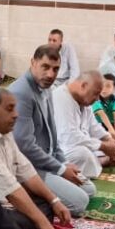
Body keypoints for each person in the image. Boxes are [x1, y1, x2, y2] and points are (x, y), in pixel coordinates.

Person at [0, 87, 73, 229]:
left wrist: (54, 200)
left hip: (6, 200)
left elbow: (25, 170)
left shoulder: (2, 129)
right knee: (25, 221)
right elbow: (10, 190)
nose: (16, 115)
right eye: (9, 109)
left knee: (46, 203)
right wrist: (44, 224)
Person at [8, 44, 96, 218]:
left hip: (45, 162)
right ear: (33, 63)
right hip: (26, 168)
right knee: (80, 202)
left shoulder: (47, 87)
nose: (50, 74)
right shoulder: (21, 92)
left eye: (55, 69)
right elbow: (24, 146)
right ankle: (27, 192)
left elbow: (52, 135)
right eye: (45, 67)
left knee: (89, 189)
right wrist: (61, 170)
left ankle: (42, 192)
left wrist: (63, 162)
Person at [52, 72, 115, 179]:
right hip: (59, 149)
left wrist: (109, 139)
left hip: (77, 144)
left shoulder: (83, 99)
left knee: (97, 148)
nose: (98, 99)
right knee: (82, 153)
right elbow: (70, 137)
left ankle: (98, 161)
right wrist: (103, 146)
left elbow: (93, 126)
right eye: (96, 94)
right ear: (84, 86)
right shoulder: (61, 98)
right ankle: (100, 162)